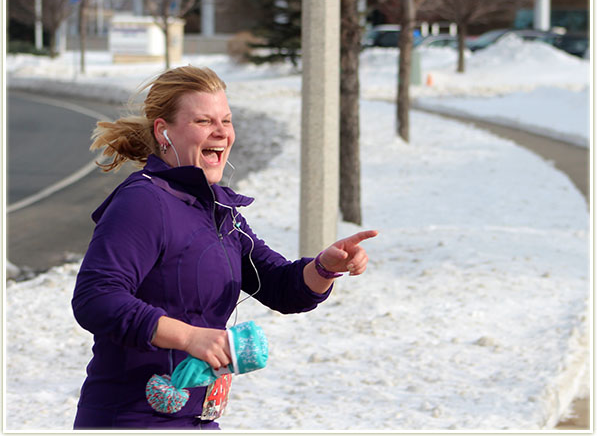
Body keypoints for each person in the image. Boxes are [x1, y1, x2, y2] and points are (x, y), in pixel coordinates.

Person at [71, 65, 378, 429]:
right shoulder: (144, 202)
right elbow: (96, 298)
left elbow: (280, 285)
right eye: (204, 121)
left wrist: (326, 266)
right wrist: (188, 337)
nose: (221, 132)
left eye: (226, 120)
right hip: (132, 418)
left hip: (197, 419)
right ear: (163, 131)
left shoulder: (217, 208)